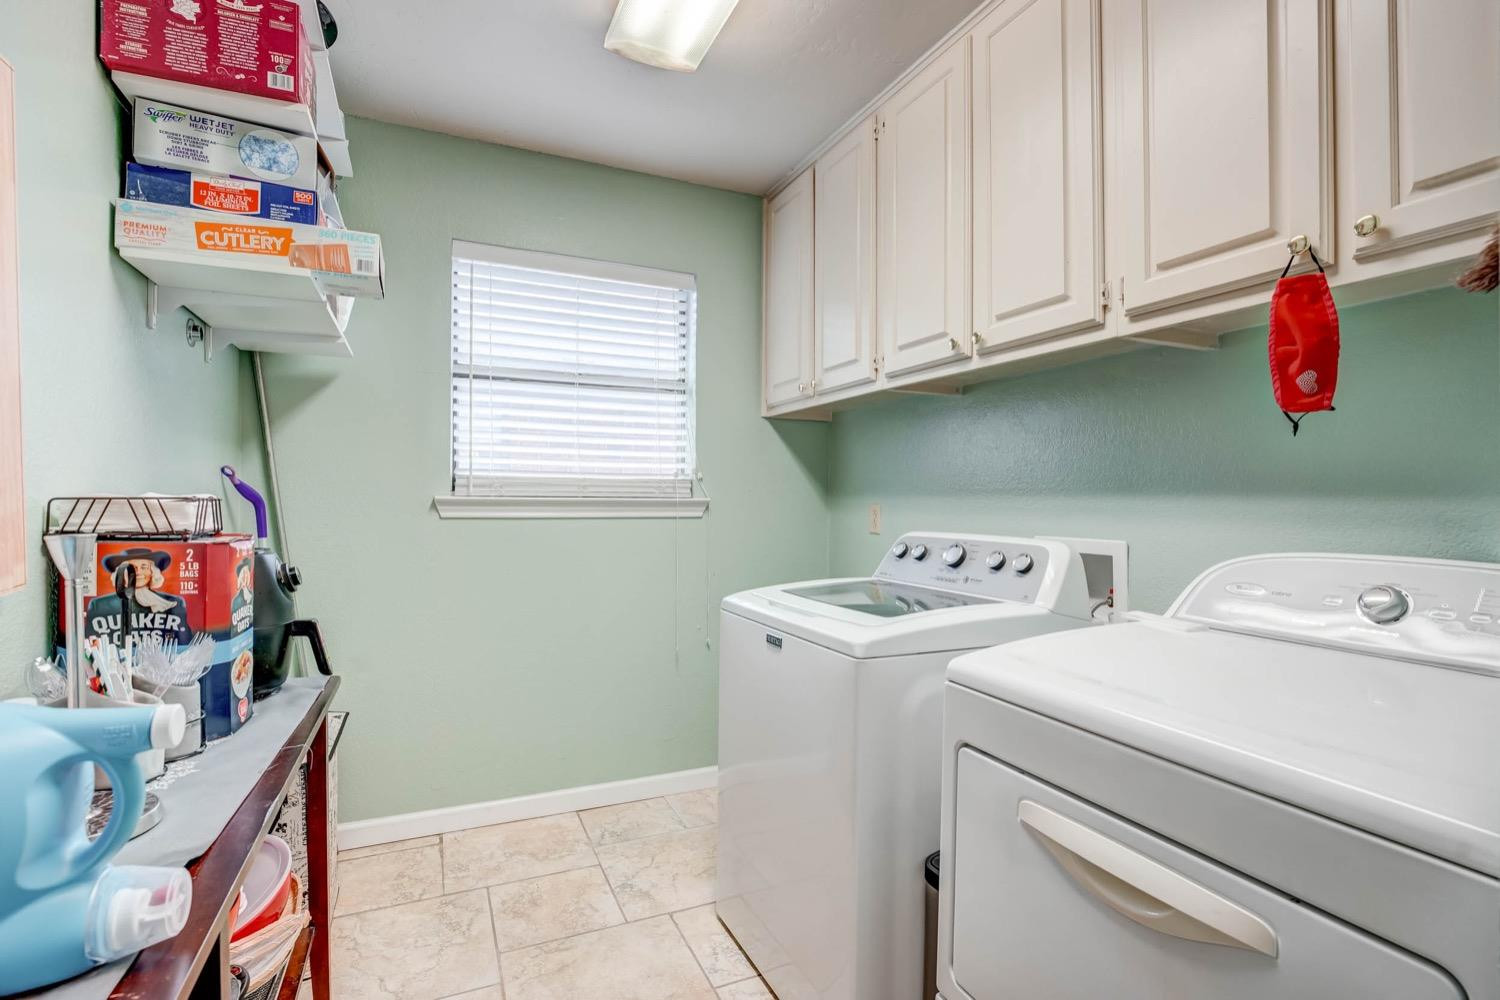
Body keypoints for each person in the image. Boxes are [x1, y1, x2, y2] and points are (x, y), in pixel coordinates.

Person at [85, 547, 193, 645]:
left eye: (144, 567)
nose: (138, 573)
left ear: (152, 572)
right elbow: (88, 645)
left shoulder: (173, 603)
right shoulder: (99, 605)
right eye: (131, 568)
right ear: (121, 573)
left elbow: (184, 644)